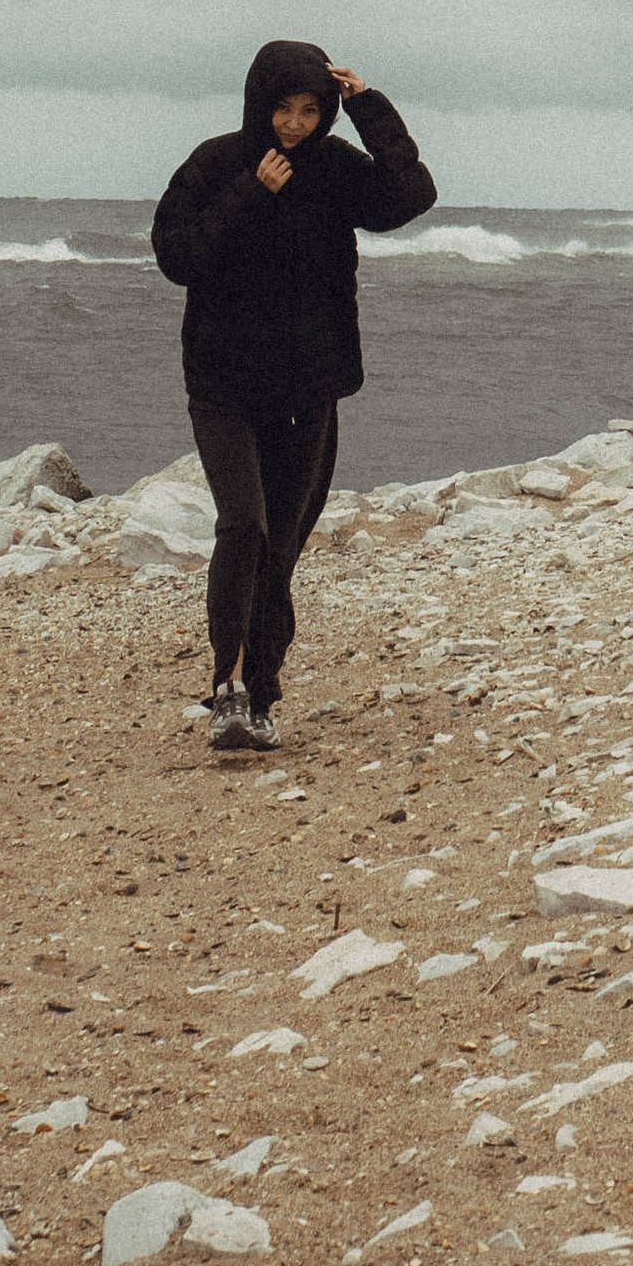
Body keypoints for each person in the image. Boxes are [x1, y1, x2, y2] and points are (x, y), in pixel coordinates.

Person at [150, 39, 436, 750]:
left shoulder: (335, 168)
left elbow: (411, 196)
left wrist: (371, 110)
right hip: (223, 385)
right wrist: (251, 193)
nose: (296, 124)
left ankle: (260, 695)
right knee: (243, 526)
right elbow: (176, 256)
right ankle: (226, 690)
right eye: (283, 108)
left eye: (312, 110)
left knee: (279, 550)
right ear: (260, 102)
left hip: (309, 388)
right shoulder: (217, 162)